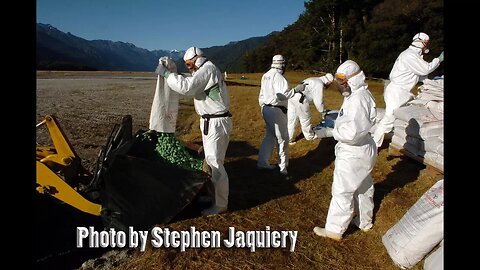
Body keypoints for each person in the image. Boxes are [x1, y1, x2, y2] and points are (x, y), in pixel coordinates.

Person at [155, 46, 232, 216]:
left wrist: (168, 75)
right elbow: (191, 82)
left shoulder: (208, 69)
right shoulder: (204, 70)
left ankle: (220, 204)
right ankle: (213, 196)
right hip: (211, 121)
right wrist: (174, 73)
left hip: (216, 122)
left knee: (215, 164)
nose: (190, 68)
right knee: (210, 161)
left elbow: (187, 88)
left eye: (189, 65)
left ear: (197, 59)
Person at [313, 60, 377, 241]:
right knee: (364, 186)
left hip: (353, 151)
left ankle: (334, 230)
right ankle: (364, 222)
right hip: (364, 149)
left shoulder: (358, 99)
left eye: (343, 81)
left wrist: (331, 131)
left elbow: (352, 133)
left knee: (342, 190)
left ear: (353, 79)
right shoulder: (361, 95)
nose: (340, 86)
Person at [372, 32, 444, 147]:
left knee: (401, 117)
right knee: (389, 118)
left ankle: (395, 140)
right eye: (426, 43)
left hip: (402, 91)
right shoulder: (410, 55)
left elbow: (419, 75)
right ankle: (374, 144)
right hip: (397, 91)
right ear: (421, 43)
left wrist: (432, 83)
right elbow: (425, 69)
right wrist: (438, 60)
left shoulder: (412, 55)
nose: (427, 46)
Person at [257, 54, 304, 176]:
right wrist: (297, 89)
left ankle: (262, 162)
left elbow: (261, 95)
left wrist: (263, 106)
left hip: (266, 109)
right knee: (282, 139)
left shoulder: (266, 75)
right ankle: (283, 168)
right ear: (282, 64)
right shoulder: (279, 77)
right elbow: (283, 95)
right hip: (276, 110)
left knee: (269, 137)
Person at [287, 73, 334, 143]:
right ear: (329, 82)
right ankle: (309, 136)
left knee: (291, 120)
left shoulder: (313, 79)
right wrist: (323, 111)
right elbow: (318, 101)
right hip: (301, 100)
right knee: (305, 119)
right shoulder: (319, 84)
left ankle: (288, 138)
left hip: (292, 98)